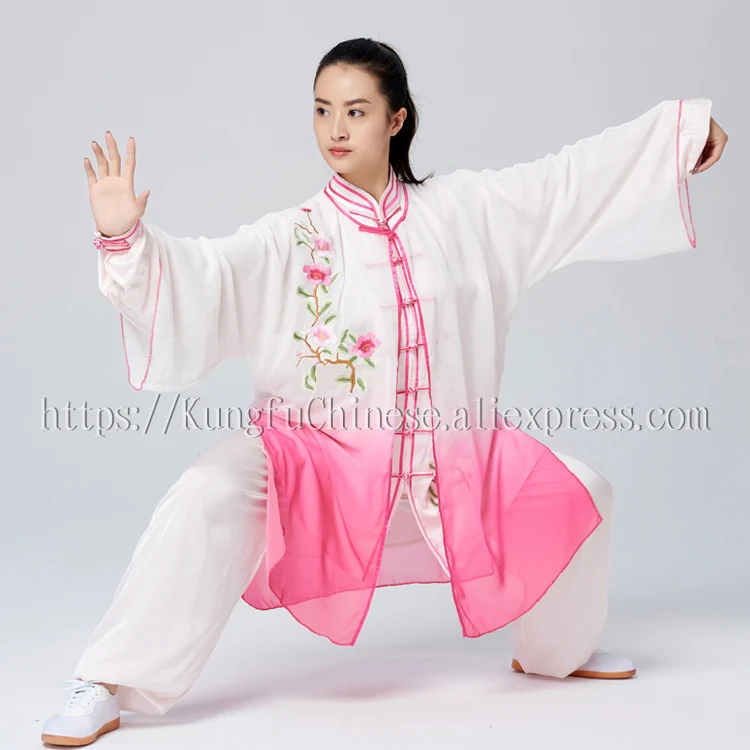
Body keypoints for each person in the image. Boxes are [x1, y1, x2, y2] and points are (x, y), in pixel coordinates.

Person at [41, 37, 727, 747]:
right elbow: (203, 276)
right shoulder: (291, 237)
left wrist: (676, 136)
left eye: (356, 111)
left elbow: (566, 182)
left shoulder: (467, 211)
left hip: (454, 459)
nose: (335, 130)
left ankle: (560, 652)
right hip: (315, 463)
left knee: (586, 491)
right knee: (206, 491)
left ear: (396, 120)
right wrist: (125, 239)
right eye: (322, 110)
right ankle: (106, 681)